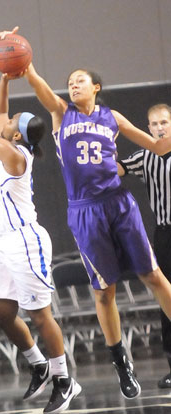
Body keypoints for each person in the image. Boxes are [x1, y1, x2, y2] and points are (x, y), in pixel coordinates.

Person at [0, 29, 171, 401]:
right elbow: (40, 87)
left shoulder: (112, 117)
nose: (73, 86)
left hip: (120, 203)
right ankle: (121, 361)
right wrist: (26, 67)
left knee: (154, 275)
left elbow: (155, 144)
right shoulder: (61, 114)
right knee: (105, 291)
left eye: (79, 82)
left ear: (96, 87)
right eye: (70, 82)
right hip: (86, 212)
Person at [0, 58, 81, 414]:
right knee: (3, 313)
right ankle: (39, 363)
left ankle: (65, 381)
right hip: (3, 243)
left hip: (25, 241)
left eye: (12, 122)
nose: (6, 120)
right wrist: (4, 81)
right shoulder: (14, 141)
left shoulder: (15, 156)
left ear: (16, 135)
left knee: (40, 315)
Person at [118, 103, 171, 389]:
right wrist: (102, 148)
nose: (160, 128)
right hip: (165, 234)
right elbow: (118, 169)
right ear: (148, 128)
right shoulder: (146, 156)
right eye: (154, 124)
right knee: (167, 299)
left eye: (164, 122)